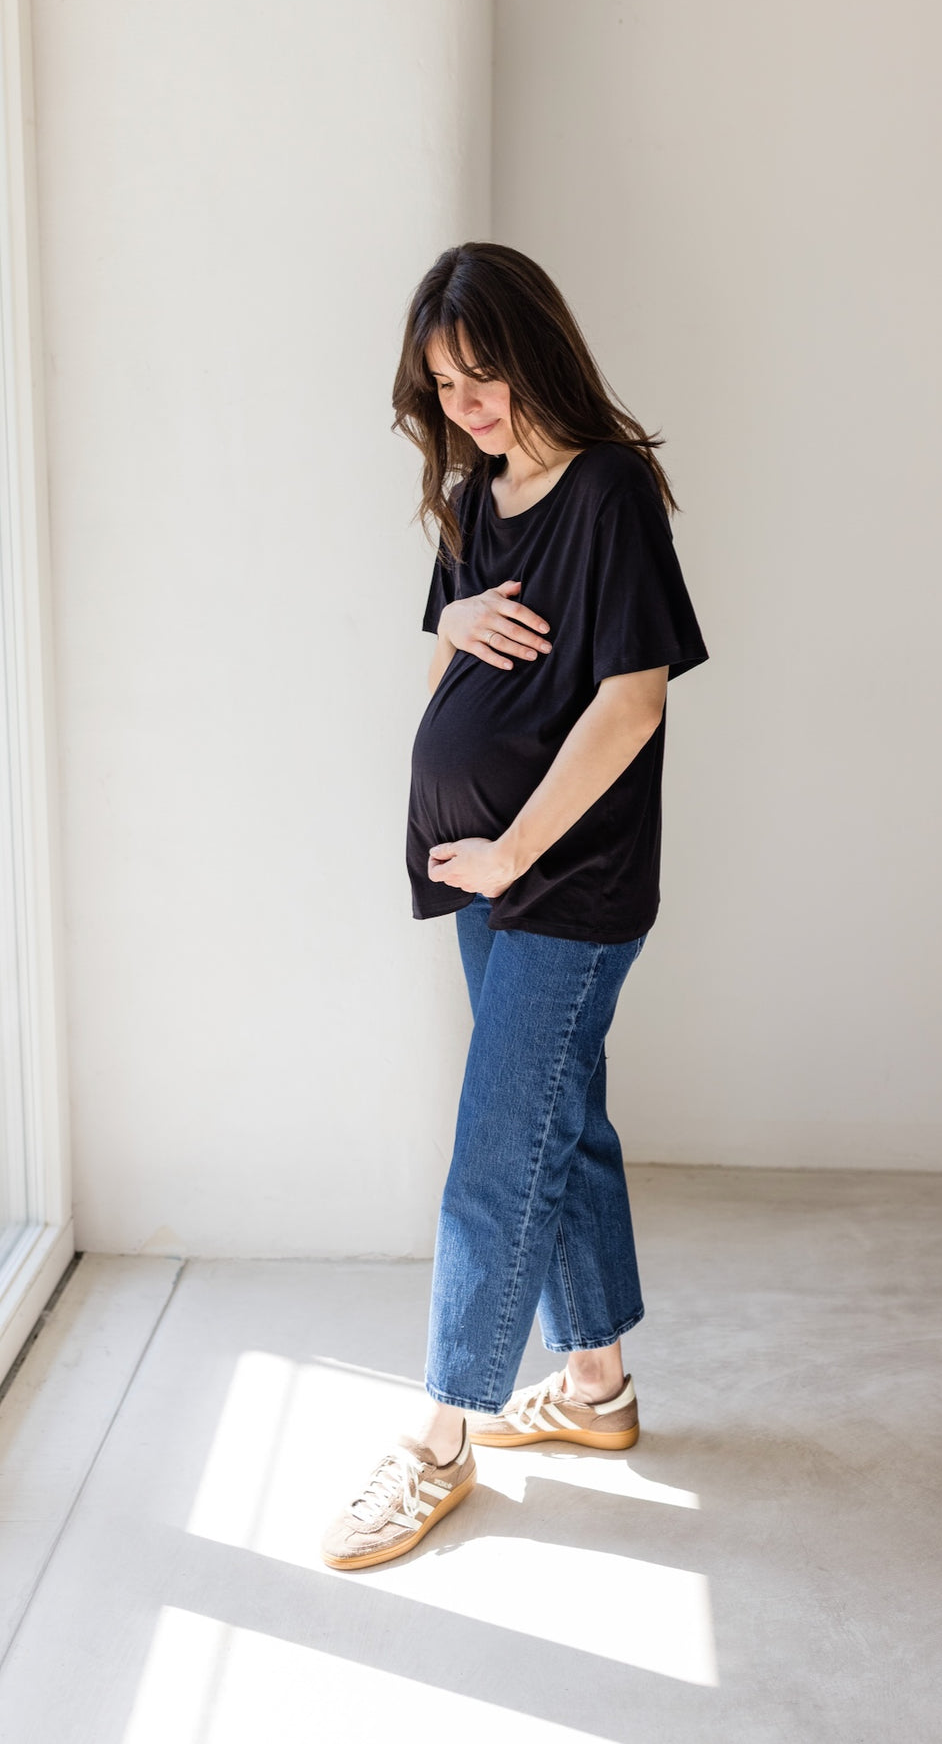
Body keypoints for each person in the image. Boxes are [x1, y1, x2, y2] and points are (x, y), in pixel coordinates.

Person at [321, 242, 708, 1571]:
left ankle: (440, 1442)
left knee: (499, 1152)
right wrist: (455, 625)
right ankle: (596, 1388)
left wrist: (512, 854)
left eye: (482, 376)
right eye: (444, 386)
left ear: (538, 349)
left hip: (566, 883)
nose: (468, 405)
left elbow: (631, 702)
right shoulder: (475, 499)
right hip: (484, 877)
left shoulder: (608, 491)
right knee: (563, 1122)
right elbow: (454, 673)